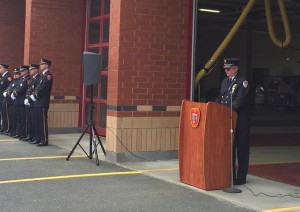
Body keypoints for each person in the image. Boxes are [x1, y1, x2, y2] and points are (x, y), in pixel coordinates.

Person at [215, 58, 250, 185]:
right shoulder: (225, 81)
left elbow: (240, 100)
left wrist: (227, 110)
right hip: (227, 120)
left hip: (240, 120)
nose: (226, 71)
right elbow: (221, 97)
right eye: (225, 69)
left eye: (228, 68)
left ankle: (241, 177)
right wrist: (213, 107)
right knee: (229, 148)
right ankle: (230, 175)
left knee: (241, 149)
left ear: (235, 68)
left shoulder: (242, 81)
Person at [30, 58, 53, 146]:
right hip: (37, 102)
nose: (40, 65)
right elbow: (37, 87)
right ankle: (38, 138)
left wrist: (35, 96)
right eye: (40, 64)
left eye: (42, 64)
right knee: (37, 121)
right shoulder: (42, 76)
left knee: (42, 122)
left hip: (42, 102)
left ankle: (44, 140)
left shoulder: (48, 75)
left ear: (47, 65)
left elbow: (43, 88)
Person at [0, 64, 13, 134]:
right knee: (3, 114)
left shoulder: (8, 77)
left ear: (4, 69)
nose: (0, 69)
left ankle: (7, 128)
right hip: (1, 99)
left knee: (6, 114)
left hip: (5, 99)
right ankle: (4, 127)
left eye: (0, 68)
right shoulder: (3, 77)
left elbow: (10, 87)